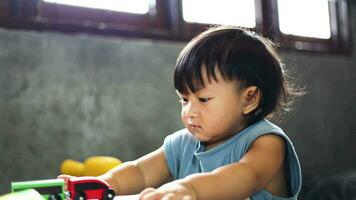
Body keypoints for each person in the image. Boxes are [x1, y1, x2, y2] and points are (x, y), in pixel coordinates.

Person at [60, 25, 303, 200]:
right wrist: (101, 184)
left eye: (203, 99)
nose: (190, 112)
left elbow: (242, 176)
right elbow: (140, 171)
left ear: (249, 98)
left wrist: (190, 189)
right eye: (184, 100)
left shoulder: (266, 143)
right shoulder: (183, 143)